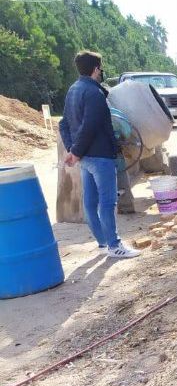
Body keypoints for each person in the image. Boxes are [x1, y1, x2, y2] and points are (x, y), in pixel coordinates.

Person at [59, 50, 140, 259]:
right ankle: (114, 245)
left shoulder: (73, 90)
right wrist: (75, 152)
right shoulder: (94, 94)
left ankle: (103, 243)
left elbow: (64, 123)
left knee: (90, 202)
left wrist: (72, 149)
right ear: (96, 69)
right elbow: (90, 126)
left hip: (86, 158)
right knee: (107, 202)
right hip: (100, 155)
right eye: (100, 68)